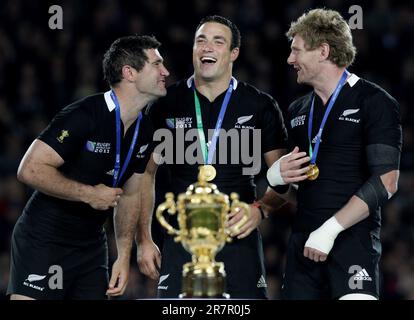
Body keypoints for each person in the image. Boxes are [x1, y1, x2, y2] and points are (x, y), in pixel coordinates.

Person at [135, 15, 288, 299]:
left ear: (233, 53)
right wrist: (144, 239)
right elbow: (144, 174)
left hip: (238, 239)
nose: (207, 47)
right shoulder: (165, 105)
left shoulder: (260, 106)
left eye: (218, 42)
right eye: (201, 41)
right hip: (182, 238)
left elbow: (283, 179)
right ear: (193, 49)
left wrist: (261, 209)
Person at [7, 35, 170, 299]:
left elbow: (130, 193)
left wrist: (123, 256)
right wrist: (89, 194)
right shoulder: (84, 114)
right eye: (157, 64)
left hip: (91, 246)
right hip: (44, 238)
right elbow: (30, 169)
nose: (166, 72)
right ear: (129, 72)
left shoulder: (146, 130)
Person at [266, 8, 402, 300]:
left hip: (353, 241)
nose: (290, 60)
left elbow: (387, 181)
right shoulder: (297, 111)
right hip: (303, 245)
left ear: (323, 51)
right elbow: (290, 188)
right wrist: (277, 176)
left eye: (296, 51)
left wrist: (329, 230)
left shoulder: (374, 101)